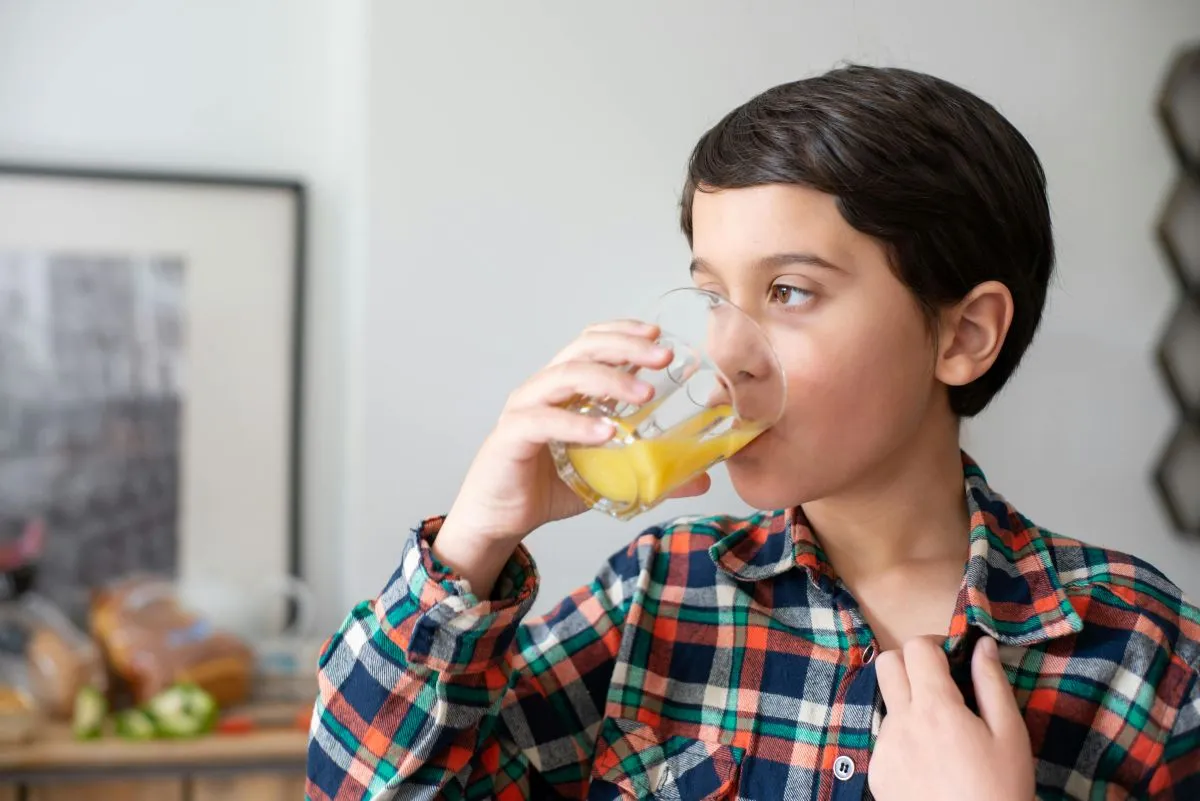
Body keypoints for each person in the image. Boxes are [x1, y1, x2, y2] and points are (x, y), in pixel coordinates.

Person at [304, 65, 1200, 800]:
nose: (726, 356)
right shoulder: (658, 594)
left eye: (790, 292)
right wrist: (473, 542)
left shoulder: (1139, 653)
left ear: (963, 336)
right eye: (713, 296)